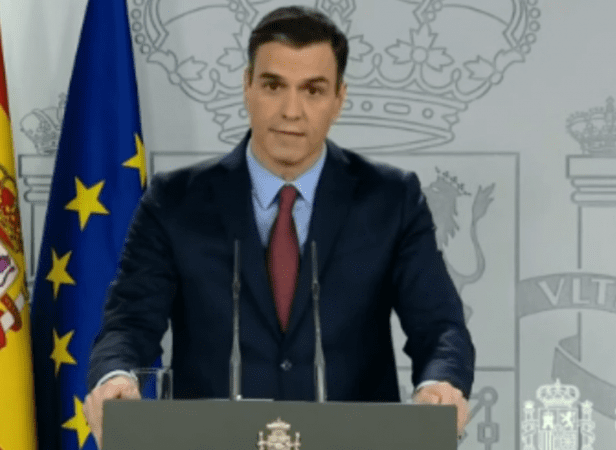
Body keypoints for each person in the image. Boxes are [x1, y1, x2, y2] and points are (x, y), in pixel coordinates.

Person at [83, 5, 474, 447]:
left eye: (313, 90)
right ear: (247, 86)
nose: (291, 111)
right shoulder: (174, 201)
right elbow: (129, 323)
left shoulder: (391, 199)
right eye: (273, 85)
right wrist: (116, 376)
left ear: (339, 99)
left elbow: (440, 327)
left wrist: (441, 384)